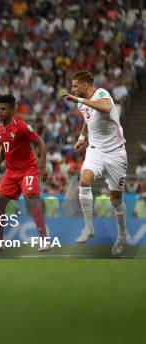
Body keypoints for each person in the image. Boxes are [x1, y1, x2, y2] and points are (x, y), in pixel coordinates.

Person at [61, 71, 128, 256]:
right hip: (95, 150)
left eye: (76, 86)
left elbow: (104, 108)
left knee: (115, 200)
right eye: (72, 86)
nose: (73, 89)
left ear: (86, 85)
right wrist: (82, 137)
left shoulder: (101, 94)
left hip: (116, 153)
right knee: (84, 180)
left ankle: (122, 234)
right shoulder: (82, 102)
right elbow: (88, 119)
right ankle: (88, 227)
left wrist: (79, 100)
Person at [0, 95, 49, 252]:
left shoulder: (21, 126)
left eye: (3, 109)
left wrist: (42, 165)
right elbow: (4, 149)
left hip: (28, 169)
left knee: (32, 199)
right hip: (11, 172)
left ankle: (44, 240)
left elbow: (40, 142)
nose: (0, 112)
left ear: (12, 110)